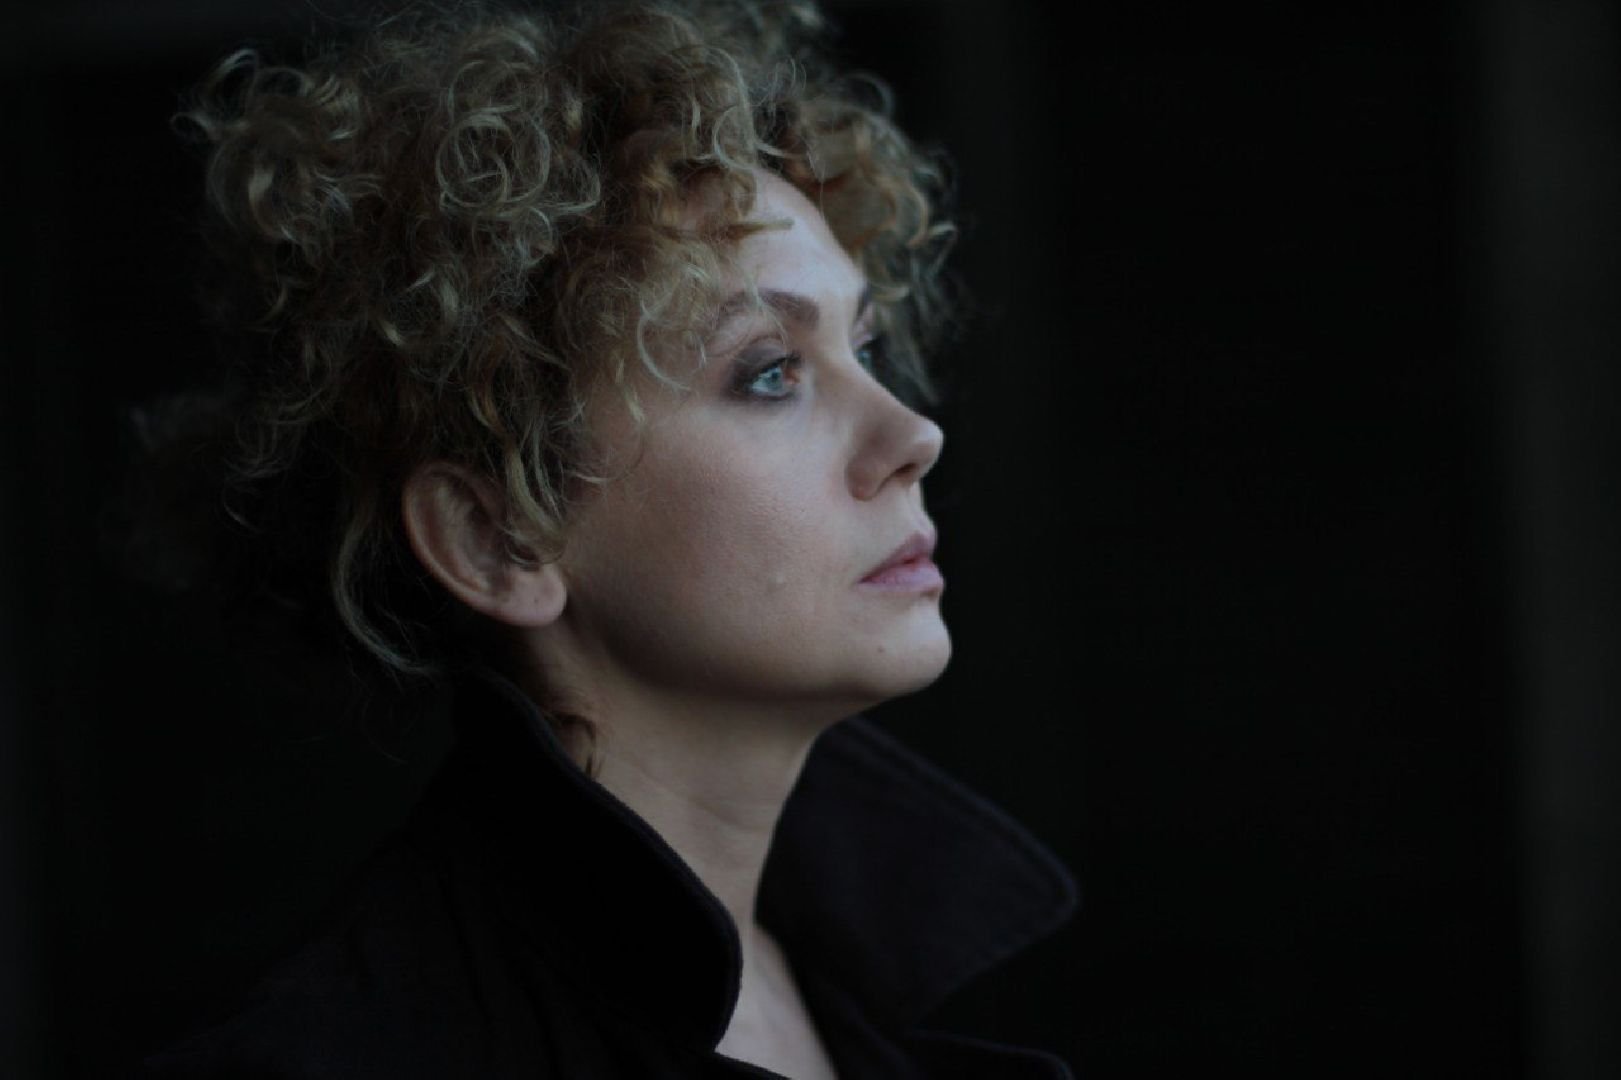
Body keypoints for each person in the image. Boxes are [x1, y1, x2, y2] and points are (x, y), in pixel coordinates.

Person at [139, 0, 1077, 1076]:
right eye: (770, 373)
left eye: (863, 350)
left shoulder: (855, 981)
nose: (914, 436)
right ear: (497, 537)